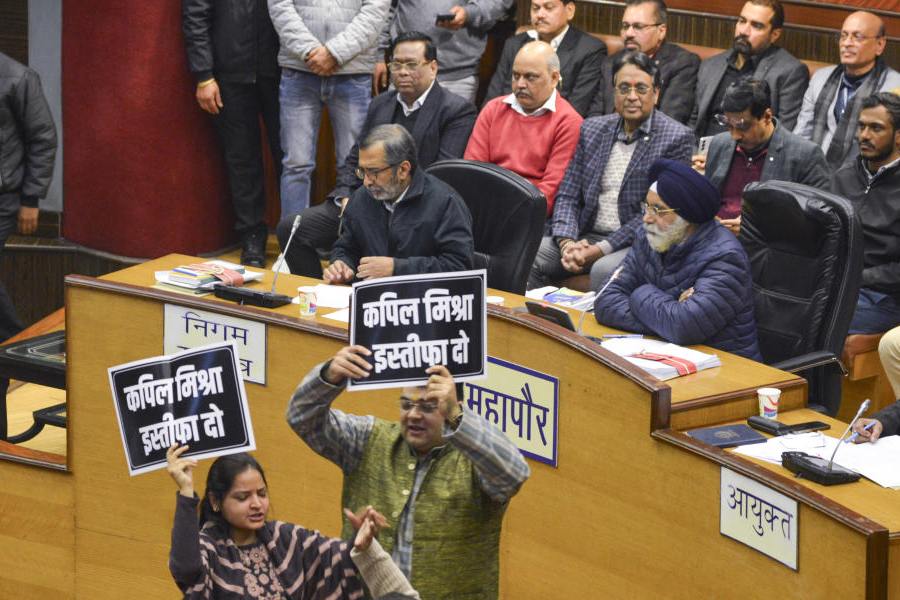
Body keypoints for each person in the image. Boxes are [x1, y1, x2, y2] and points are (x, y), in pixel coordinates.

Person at [285, 345, 530, 599]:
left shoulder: (474, 461)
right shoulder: (368, 439)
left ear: (451, 407)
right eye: (406, 404)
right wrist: (329, 375)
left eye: (427, 407)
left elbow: (513, 474)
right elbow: (301, 417)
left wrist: (458, 417)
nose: (413, 415)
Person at [276, 31, 476, 278]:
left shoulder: (455, 110)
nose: (402, 71)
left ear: (433, 67)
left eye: (411, 64)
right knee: (292, 229)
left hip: (416, 205)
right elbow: (354, 158)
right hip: (366, 199)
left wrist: (390, 189)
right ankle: (322, 290)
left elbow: (443, 172)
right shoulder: (381, 103)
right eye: (396, 64)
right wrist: (346, 195)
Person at [529, 51, 694, 291]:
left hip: (636, 240)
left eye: (641, 89)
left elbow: (658, 214)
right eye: (624, 88)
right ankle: (536, 324)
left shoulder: (676, 138)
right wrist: (567, 243)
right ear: (613, 91)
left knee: (603, 269)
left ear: (656, 93)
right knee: (529, 253)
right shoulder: (593, 129)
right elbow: (568, 195)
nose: (632, 97)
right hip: (583, 235)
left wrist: (599, 250)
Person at [594, 158, 762, 360]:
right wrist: (666, 316)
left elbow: (683, 327)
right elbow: (605, 300)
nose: (647, 218)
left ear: (688, 216)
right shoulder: (648, 236)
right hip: (664, 357)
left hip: (725, 370)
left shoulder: (725, 257)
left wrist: (638, 293)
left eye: (657, 210)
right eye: (646, 206)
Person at [166, 446, 368, 598]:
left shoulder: (285, 537)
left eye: (261, 494)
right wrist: (186, 491)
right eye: (243, 497)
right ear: (215, 501)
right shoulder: (209, 548)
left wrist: (359, 542)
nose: (256, 504)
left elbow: (335, 557)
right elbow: (186, 569)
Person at [182, 0, 282, 268]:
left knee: (292, 158)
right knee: (242, 159)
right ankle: (252, 235)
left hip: (285, 69)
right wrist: (203, 75)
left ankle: (299, 236)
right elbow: (195, 17)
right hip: (229, 73)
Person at [268, 0, 391, 217]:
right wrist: (309, 51)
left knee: (355, 165)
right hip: (299, 69)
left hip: (352, 71)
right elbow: (280, 6)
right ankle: (292, 244)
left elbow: (376, 9)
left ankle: (350, 242)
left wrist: (334, 53)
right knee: (296, 165)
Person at [324, 124, 473, 283]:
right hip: (373, 300)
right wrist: (342, 265)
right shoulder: (362, 198)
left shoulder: (445, 203)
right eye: (362, 171)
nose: (367, 181)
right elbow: (347, 248)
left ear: (403, 170)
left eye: (374, 172)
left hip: (424, 300)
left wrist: (397, 269)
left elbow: (459, 267)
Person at [465, 41, 583, 217]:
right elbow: (472, 172)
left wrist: (504, 211)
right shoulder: (493, 109)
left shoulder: (569, 122)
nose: (520, 84)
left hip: (529, 216)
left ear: (554, 78)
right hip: (483, 207)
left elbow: (549, 193)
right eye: (515, 75)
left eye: (530, 77)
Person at [696, 79, 829, 235]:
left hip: (767, 247)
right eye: (728, 125)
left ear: (766, 116)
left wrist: (757, 227)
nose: (734, 135)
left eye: (742, 126)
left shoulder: (805, 155)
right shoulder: (720, 143)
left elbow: (817, 219)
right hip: (714, 238)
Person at [794, 11, 900, 170]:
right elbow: (802, 133)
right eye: (843, 36)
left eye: (857, 37)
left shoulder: (895, 87)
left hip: (864, 176)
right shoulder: (821, 78)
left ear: (880, 45)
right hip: (813, 171)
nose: (847, 43)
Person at [832, 92, 900, 335]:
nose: (864, 135)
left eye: (876, 128)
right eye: (861, 126)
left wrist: (858, 277)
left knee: (820, 321)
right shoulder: (845, 175)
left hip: (885, 296)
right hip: (837, 283)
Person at [0, 53, 56, 342]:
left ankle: (17, 343)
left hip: (4, 198)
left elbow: (42, 138)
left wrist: (31, 199)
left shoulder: (17, 77)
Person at [691, 0, 808, 138]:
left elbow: (782, 134)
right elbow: (693, 121)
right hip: (699, 153)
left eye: (756, 26)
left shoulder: (789, 72)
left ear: (774, 34)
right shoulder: (711, 65)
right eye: (742, 21)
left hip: (748, 155)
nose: (744, 31)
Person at [374, 0, 515, 103]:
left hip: (457, 75)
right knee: (395, 139)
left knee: (452, 140)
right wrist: (379, 55)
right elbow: (385, 8)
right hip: (406, 69)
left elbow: (498, 3)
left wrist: (469, 13)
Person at [483, 0, 606, 117]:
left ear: (569, 10)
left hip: (554, 130)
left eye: (549, 8)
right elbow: (492, 98)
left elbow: (576, 108)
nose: (540, 15)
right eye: (535, 8)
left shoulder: (590, 50)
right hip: (509, 123)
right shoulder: (514, 44)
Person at [588, 0, 699, 125]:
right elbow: (594, 115)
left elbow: (669, 121)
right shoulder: (610, 63)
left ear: (661, 31)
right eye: (625, 26)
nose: (629, 33)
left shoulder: (681, 64)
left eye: (638, 27)